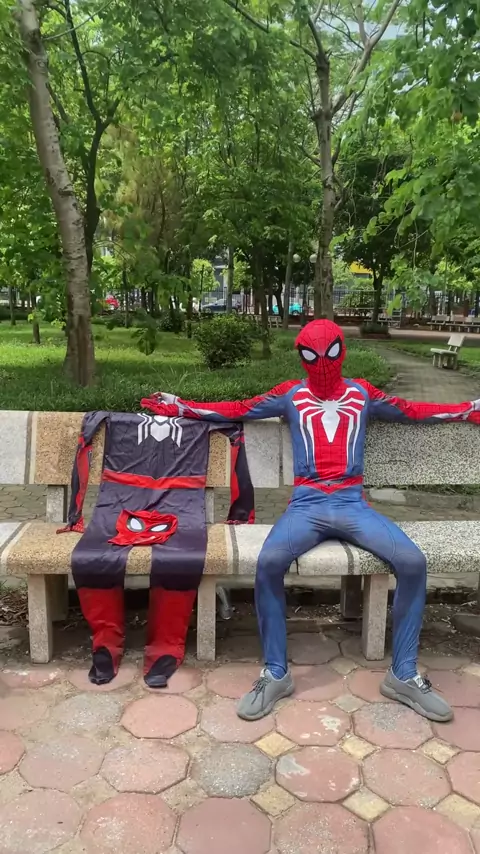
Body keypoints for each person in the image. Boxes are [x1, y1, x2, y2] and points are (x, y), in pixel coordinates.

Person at [141, 319, 480, 722]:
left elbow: (411, 410)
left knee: (412, 562)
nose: (321, 363)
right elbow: (240, 408)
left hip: (352, 504)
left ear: (342, 351)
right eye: (310, 355)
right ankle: (275, 672)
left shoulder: (361, 393)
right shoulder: (291, 394)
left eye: (329, 353)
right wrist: (181, 407)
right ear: (301, 356)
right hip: (306, 505)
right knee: (269, 563)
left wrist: (467, 409)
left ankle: (403, 674)